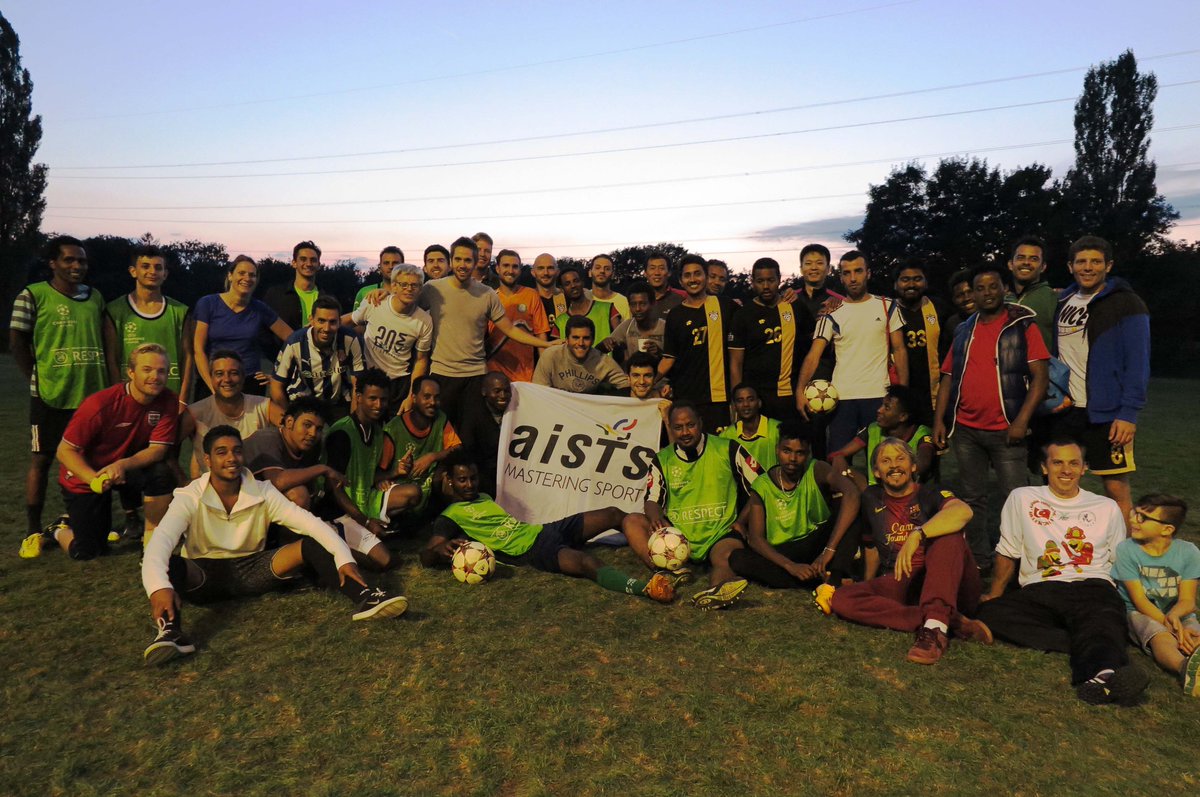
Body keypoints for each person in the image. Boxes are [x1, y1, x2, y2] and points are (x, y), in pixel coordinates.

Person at [140, 425, 408, 665]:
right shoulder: (190, 496)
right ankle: (171, 632)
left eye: (237, 451)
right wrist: (158, 588)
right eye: (221, 452)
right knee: (170, 563)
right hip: (203, 575)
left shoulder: (263, 491)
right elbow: (159, 543)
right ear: (207, 460)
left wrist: (344, 558)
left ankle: (365, 596)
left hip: (253, 568)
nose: (231, 458)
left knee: (311, 543)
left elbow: (311, 524)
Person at [976, 439, 1147, 706]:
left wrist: (1132, 600)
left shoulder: (1105, 507)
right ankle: (1092, 640)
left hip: (1092, 584)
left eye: (1073, 463)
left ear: (1084, 468)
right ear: (1044, 467)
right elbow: (1008, 550)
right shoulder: (1023, 498)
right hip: (1041, 588)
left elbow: (1117, 560)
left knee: (1102, 616)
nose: (1066, 470)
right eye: (1057, 463)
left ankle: (1102, 676)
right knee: (989, 613)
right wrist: (994, 594)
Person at [421, 450, 677, 603]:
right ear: (450, 481)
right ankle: (645, 588)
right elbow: (427, 554)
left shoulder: (483, 496)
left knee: (613, 514)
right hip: (532, 551)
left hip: (543, 530)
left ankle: (659, 555)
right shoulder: (449, 517)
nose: (469, 484)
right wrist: (438, 551)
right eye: (462, 480)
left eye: (473, 478)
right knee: (586, 563)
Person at [828, 438, 992, 665]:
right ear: (876, 471)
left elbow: (963, 511)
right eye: (886, 461)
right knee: (842, 598)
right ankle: (948, 621)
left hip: (947, 582)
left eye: (900, 459)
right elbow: (870, 546)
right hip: (905, 581)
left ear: (913, 466)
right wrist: (869, 583)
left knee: (949, 534)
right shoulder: (871, 499)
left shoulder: (930, 493)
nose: (894, 466)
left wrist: (918, 534)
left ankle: (935, 628)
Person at [933, 263, 1049, 570]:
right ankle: (980, 560)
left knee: (1016, 499)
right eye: (979, 288)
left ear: (1004, 289)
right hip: (967, 431)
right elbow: (948, 376)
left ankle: (1021, 562)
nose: (987, 293)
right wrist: (940, 420)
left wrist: (1021, 421)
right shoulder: (963, 330)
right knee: (973, 499)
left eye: (993, 286)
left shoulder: (1022, 326)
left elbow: (1040, 378)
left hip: (1007, 429)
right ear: (973, 293)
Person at [19, 343, 179, 559]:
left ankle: (152, 547)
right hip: (87, 475)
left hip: (122, 469)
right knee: (88, 552)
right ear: (131, 372)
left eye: (161, 371)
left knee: (160, 473)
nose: (155, 377)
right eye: (147, 370)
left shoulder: (168, 400)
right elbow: (65, 451)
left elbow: (158, 450)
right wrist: (93, 479)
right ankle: (57, 529)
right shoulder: (100, 404)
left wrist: (122, 465)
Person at [11, 236, 109, 546]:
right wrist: (35, 377)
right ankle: (32, 529)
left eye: (81, 260)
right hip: (51, 395)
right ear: (53, 263)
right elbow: (17, 341)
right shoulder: (33, 295)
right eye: (69, 259)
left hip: (91, 396)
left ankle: (89, 522)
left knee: (91, 461)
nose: (77, 265)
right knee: (42, 460)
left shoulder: (95, 297)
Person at [626, 402, 762, 609]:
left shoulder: (727, 448)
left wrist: (742, 521)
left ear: (700, 423)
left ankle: (717, 591)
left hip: (720, 532)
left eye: (690, 425)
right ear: (670, 428)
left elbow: (763, 486)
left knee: (726, 557)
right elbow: (652, 499)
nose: (685, 432)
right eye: (678, 427)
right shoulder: (662, 459)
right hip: (677, 536)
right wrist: (655, 518)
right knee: (631, 521)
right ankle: (670, 571)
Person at [1052, 234, 1149, 522]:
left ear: (1109, 265)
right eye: (1081, 261)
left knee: (1115, 487)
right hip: (1066, 411)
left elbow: (1138, 362)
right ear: (1070, 266)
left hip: (1107, 413)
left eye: (1096, 262)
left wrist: (1128, 413)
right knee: (1061, 483)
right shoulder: (1064, 300)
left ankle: (1124, 549)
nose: (1088, 267)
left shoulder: (1128, 304)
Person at [419, 236, 556, 428]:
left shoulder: (487, 294)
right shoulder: (432, 289)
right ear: (451, 261)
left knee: (471, 433)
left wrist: (546, 344)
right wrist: (384, 295)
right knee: (440, 430)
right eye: (458, 259)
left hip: (475, 375)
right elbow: (407, 305)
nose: (463, 265)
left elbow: (509, 329)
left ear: (476, 262)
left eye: (468, 260)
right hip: (442, 374)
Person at [795, 251, 908, 453]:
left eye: (858, 271)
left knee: (880, 458)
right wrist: (800, 390)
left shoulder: (887, 305)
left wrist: (902, 394)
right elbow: (813, 355)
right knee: (838, 458)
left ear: (868, 273)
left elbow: (899, 350)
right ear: (841, 277)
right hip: (841, 398)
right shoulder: (830, 312)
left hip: (878, 396)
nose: (853, 278)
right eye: (847, 273)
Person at [729, 422, 861, 589]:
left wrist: (829, 550)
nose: (792, 458)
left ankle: (836, 574)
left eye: (800, 453)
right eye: (787, 451)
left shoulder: (816, 468)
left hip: (817, 541)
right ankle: (818, 579)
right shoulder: (762, 485)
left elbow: (852, 493)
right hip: (784, 551)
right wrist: (790, 566)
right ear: (777, 450)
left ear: (808, 454)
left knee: (852, 512)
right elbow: (756, 539)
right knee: (738, 558)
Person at [320, 370, 421, 562]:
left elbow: (364, 476)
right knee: (383, 560)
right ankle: (332, 548)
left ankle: (368, 533)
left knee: (413, 493)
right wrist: (365, 522)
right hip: (339, 509)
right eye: (372, 398)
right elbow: (333, 489)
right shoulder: (342, 433)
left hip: (364, 499)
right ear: (358, 397)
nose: (379, 405)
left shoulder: (376, 431)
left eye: (383, 399)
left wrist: (395, 472)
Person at [1112, 493, 1200, 697]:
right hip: (1140, 613)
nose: (1133, 520)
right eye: (1134, 513)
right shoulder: (1126, 550)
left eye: (1142, 518)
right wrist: (1172, 628)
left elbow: (1187, 601)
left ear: (1167, 529)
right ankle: (1184, 668)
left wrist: (1176, 617)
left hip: (1177, 613)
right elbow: (1139, 601)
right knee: (1161, 637)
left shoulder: (1189, 552)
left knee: (1195, 635)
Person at [658, 254, 738, 432]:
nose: (693, 279)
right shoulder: (675, 315)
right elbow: (669, 358)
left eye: (697, 274)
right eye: (687, 275)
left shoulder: (726, 306)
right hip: (685, 398)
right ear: (681, 280)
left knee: (718, 446)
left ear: (706, 276)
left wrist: (785, 299)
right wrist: (648, 381)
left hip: (718, 399)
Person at [103, 244, 193, 403]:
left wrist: (183, 400)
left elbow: (188, 357)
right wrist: (120, 398)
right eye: (145, 266)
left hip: (169, 397)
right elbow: (112, 359)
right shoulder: (114, 310)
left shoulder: (180, 311)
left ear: (165, 274)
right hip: (130, 398)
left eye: (158, 267)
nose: (152, 272)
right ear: (133, 271)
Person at [729, 257, 814, 421]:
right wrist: (737, 401)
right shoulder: (743, 315)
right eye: (760, 281)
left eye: (771, 280)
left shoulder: (795, 307)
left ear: (779, 279)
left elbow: (815, 345)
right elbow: (735, 363)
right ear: (753, 282)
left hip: (790, 395)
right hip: (756, 398)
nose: (766, 286)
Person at [194, 255, 292, 395]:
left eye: (252, 275)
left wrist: (278, 376)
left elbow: (293, 339)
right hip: (214, 380)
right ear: (230, 276)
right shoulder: (208, 304)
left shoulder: (260, 308)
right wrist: (212, 386)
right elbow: (198, 349)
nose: (247, 278)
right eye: (241, 273)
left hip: (249, 383)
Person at [347, 263, 432, 412]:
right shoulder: (375, 303)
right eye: (404, 284)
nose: (409, 289)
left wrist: (411, 396)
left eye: (414, 285)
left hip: (398, 383)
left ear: (420, 289)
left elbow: (421, 360)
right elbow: (350, 321)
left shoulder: (424, 321)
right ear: (394, 286)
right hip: (369, 377)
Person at [179, 349, 277, 478]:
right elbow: (167, 447)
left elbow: (292, 431)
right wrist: (183, 481)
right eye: (219, 374)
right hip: (211, 485)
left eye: (234, 373)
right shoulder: (195, 413)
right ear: (211, 378)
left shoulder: (264, 406)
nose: (227, 379)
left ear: (243, 377)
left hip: (255, 484)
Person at [830, 384, 935, 491]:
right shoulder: (873, 429)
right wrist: (839, 458)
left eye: (887, 408)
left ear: (903, 416)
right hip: (875, 494)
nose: (879, 410)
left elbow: (923, 464)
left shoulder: (922, 433)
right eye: (882, 405)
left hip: (910, 494)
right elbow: (840, 453)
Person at [383, 375, 462, 518]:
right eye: (427, 397)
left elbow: (457, 448)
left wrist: (432, 457)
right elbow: (377, 473)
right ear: (413, 398)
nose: (432, 402)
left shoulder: (440, 418)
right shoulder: (393, 429)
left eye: (436, 398)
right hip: (403, 492)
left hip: (428, 489)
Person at [271, 296, 365, 415]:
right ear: (311, 320)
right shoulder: (295, 343)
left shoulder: (351, 340)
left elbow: (358, 385)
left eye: (332, 322)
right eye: (321, 321)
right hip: (303, 403)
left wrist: (353, 421)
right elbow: (276, 386)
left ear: (340, 322)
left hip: (338, 403)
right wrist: (289, 418)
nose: (326, 328)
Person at [893, 259, 948, 416]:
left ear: (926, 283)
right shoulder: (887, 310)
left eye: (917, 279)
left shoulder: (939, 307)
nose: (911, 284)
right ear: (895, 284)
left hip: (933, 394)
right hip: (900, 392)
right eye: (905, 279)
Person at [486, 249, 550, 383]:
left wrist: (544, 373)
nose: (510, 270)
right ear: (497, 269)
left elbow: (541, 335)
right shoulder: (490, 298)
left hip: (525, 375)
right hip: (495, 375)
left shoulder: (531, 295)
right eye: (506, 265)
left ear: (520, 270)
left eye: (515, 266)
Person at [457, 372, 511, 497]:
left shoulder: (516, 412)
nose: (503, 396)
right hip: (485, 475)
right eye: (497, 391)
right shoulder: (473, 417)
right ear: (484, 392)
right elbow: (468, 451)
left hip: (511, 472)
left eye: (506, 391)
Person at [264, 240, 329, 333]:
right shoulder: (275, 295)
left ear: (319, 265)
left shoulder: (328, 298)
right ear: (294, 263)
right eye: (303, 259)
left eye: (313, 260)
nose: (309, 264)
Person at [1006, 235, 1056, 351]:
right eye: (1020, 258)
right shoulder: (1001, 300)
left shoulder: (1054, 299)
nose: (1026, 262)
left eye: (1034, 259)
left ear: (1043, 267)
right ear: (1010, 264)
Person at [600, 281, 666, 364]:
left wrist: (660, 353)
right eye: (633, 304)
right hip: (634, 371)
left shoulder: (665, 327)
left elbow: (676, 359)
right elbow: (598, 350)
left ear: (653, 303)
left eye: (642, 304)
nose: (637, 309)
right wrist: (605, 343)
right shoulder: (627, 326)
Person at [719, 384, 780, 470]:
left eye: (750, 400)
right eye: (740, 401)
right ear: (734, 406)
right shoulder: (726, 436)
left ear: (759, 403)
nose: (746, 404)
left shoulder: (778, 430)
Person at [554, 266, 621, 343]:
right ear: (562, 289)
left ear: (582, 282)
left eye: (576, 281)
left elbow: (620, 339)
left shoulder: (608, 308)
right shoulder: (559, 322)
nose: (573, 286)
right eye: (567, 284)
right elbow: (557, 348)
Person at [531, 252, 566, 336]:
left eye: (550, 268)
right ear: (533, 272)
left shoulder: (568, 297)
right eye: (541, 268)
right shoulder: (528, 299)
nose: (546, 273)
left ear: (557, 272)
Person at [644, 251, 684, 322]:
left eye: (661, 268)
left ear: (669, 272)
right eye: (652, 268)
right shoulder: (637, 299)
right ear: (645, 273)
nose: (657, 273)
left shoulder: (683, 297)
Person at [587, 254, 629, 319]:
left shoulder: (623, 302)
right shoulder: (583, 299)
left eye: (607, 269)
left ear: (613, 274)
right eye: (597, 268)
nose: (602, 271)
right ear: (590, 273)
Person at [943, 268, 976, 342]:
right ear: (953, 300)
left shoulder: (995, 318)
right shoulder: (952, 324)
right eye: (959, 295)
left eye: (970, 292)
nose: (966, 298)